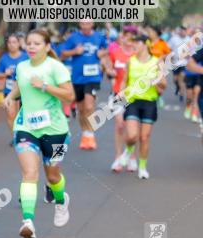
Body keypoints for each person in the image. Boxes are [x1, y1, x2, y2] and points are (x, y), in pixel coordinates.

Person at [2, 29, 74, 238]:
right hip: (26, 127)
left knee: (53, 175)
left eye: (36, 43)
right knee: (30, 174)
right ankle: (28, 222)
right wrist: (10, 97)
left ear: (47, 47)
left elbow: (69, 96)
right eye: (29, 43)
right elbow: (19, 85)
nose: (31, 47)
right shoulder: (22, 66)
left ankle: (61, 202)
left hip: (57, 131)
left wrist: (44, 86)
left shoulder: (56, 67)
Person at [116, 33, 167, 180]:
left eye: (137, 44)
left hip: (149, 102)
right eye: (133, 45)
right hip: (133, 101)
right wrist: (121, 92)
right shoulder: (130, 61)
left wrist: (156, 80)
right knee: (132, 135)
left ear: (145, 44)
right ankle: (128, 150)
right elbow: (125, 80)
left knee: (144, 137)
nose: (134, 47)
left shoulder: (157, 62)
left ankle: (142, 167)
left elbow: (164, 84)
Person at [60, 21, 112, 150]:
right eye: (83, 23)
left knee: (89, 107)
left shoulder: (99, 37)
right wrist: (75, 51)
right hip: (77, 78)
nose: (85, 26)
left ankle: (90, 134)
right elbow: (63, 54)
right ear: (79, 24)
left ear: (92, 24)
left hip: (93, 77)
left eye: (88, 23)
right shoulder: (73, 38)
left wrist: (102, 54)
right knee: (81, 110)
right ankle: (85, 134)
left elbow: (106, 50)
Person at [108, 26, 138, 172]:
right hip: (118, 94)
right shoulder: (115, 53)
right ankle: (118, 157)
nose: (129, 40)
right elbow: (108, 67)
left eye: (133, 37)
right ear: (123, 37)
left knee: (131, 127)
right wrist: (109, 71)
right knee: (120, 125)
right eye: (127, 36)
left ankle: (131, 157)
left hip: (135, 95)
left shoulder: (138, 55)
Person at [0, 33, 29, 144]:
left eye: (14, 42)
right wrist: (5, 74)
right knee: (10, 114)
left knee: (24, 114)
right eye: (9, 42)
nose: (11, 45)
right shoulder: (4, 58)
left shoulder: (25, 56)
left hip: (24, 90)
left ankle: (26, 134)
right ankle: (16, 136)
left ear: (19, 43)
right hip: (9, 90)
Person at [167, 27, 187, 100]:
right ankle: (178, 87)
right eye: (182, 31)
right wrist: (171, 57)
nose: (183, 33)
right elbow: (168, 48)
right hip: (175, 63)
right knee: (175, 80)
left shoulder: (189, 39)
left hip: (185, 64)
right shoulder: (174, 39)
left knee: (181, 80)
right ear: (180, 32)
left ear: (186, 31)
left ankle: (181, 94)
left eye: (184, 31)